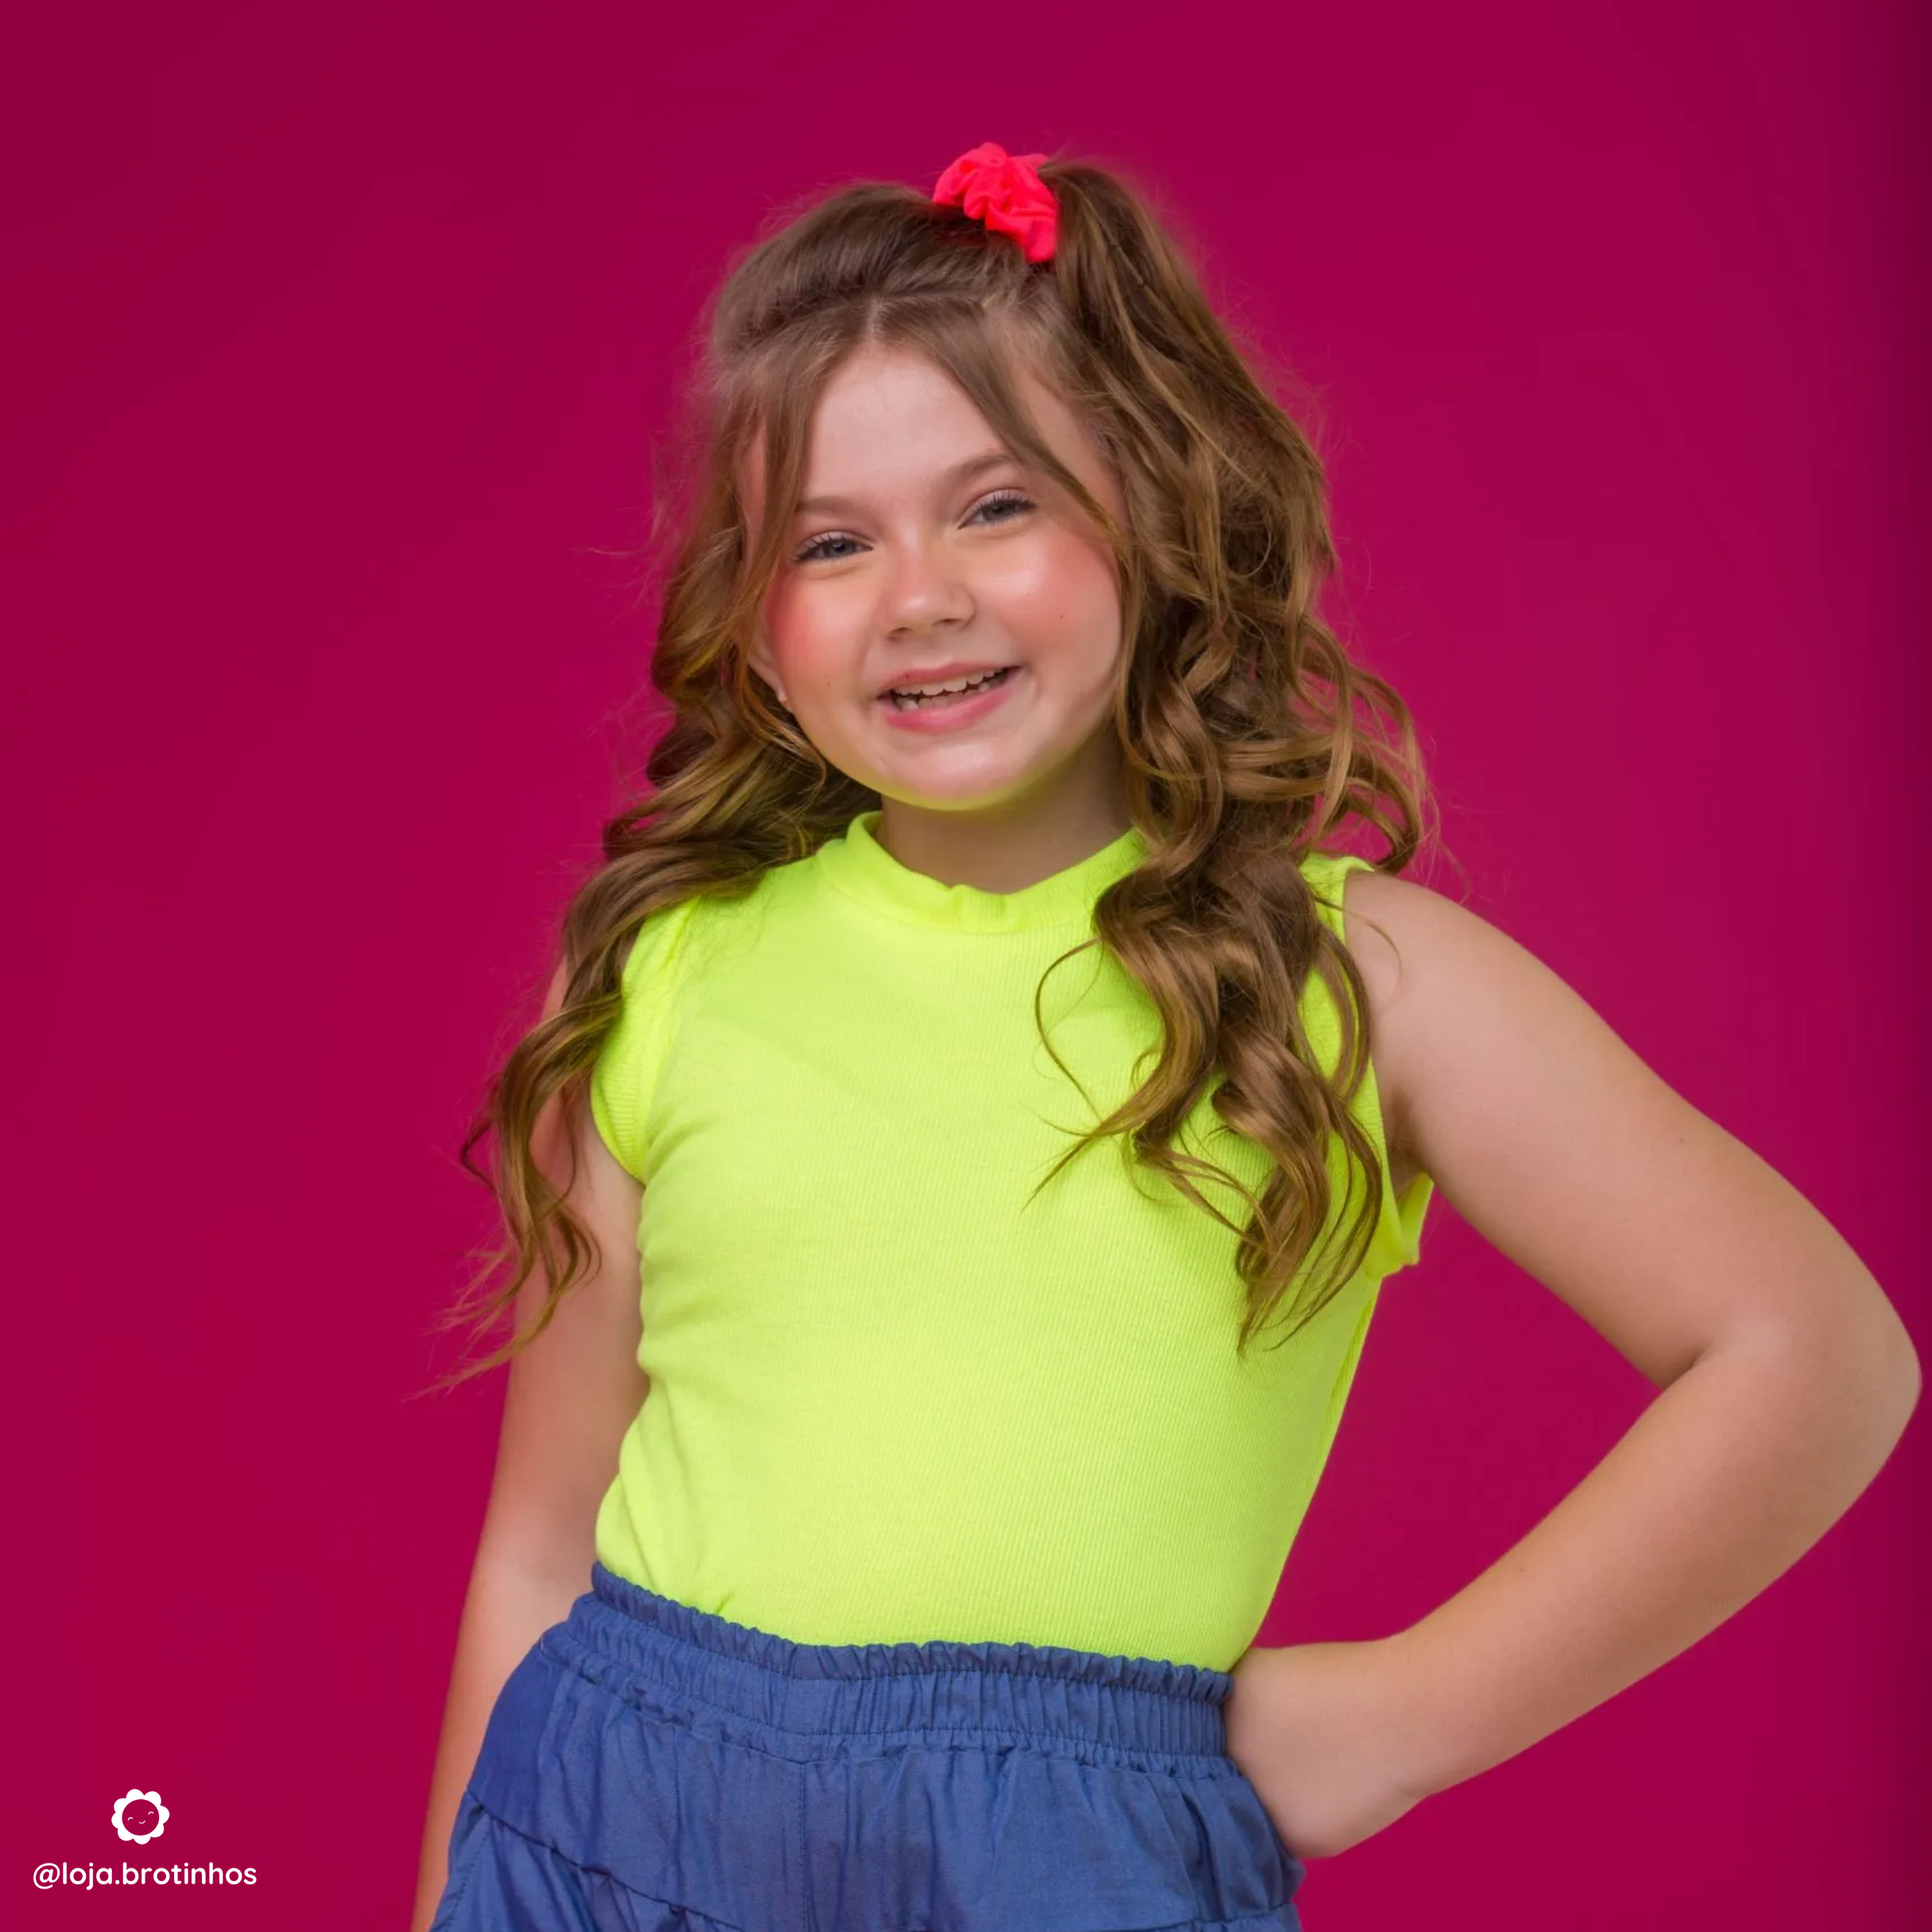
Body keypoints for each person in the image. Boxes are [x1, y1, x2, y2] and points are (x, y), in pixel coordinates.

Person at [410, 142, 1919, 1931]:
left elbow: (1812, 1354)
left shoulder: (1350, 982)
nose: (918, 595)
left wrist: (1407, 1719)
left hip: (1063, 1866)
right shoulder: (674, 971)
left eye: (996, 506)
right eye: (832, 541)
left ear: (1157, 509)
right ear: (754, 617)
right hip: (605, 1820)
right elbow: (538, 1545)